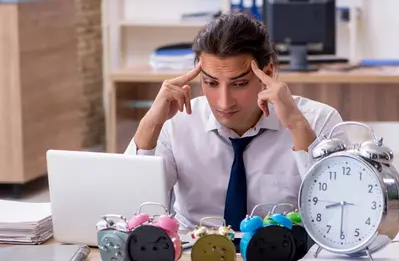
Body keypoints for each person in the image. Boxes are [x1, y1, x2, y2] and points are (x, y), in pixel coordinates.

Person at [124, 12, 343, 231]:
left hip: (284, 256)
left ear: (267, 73)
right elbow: (130, 214)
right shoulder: (175, 122)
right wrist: (150, 124)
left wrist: (297, 126)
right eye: (211, 83)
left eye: (239, 84)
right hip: (192, 255)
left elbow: (341, 215)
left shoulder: (320, 121)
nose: (224, 102)